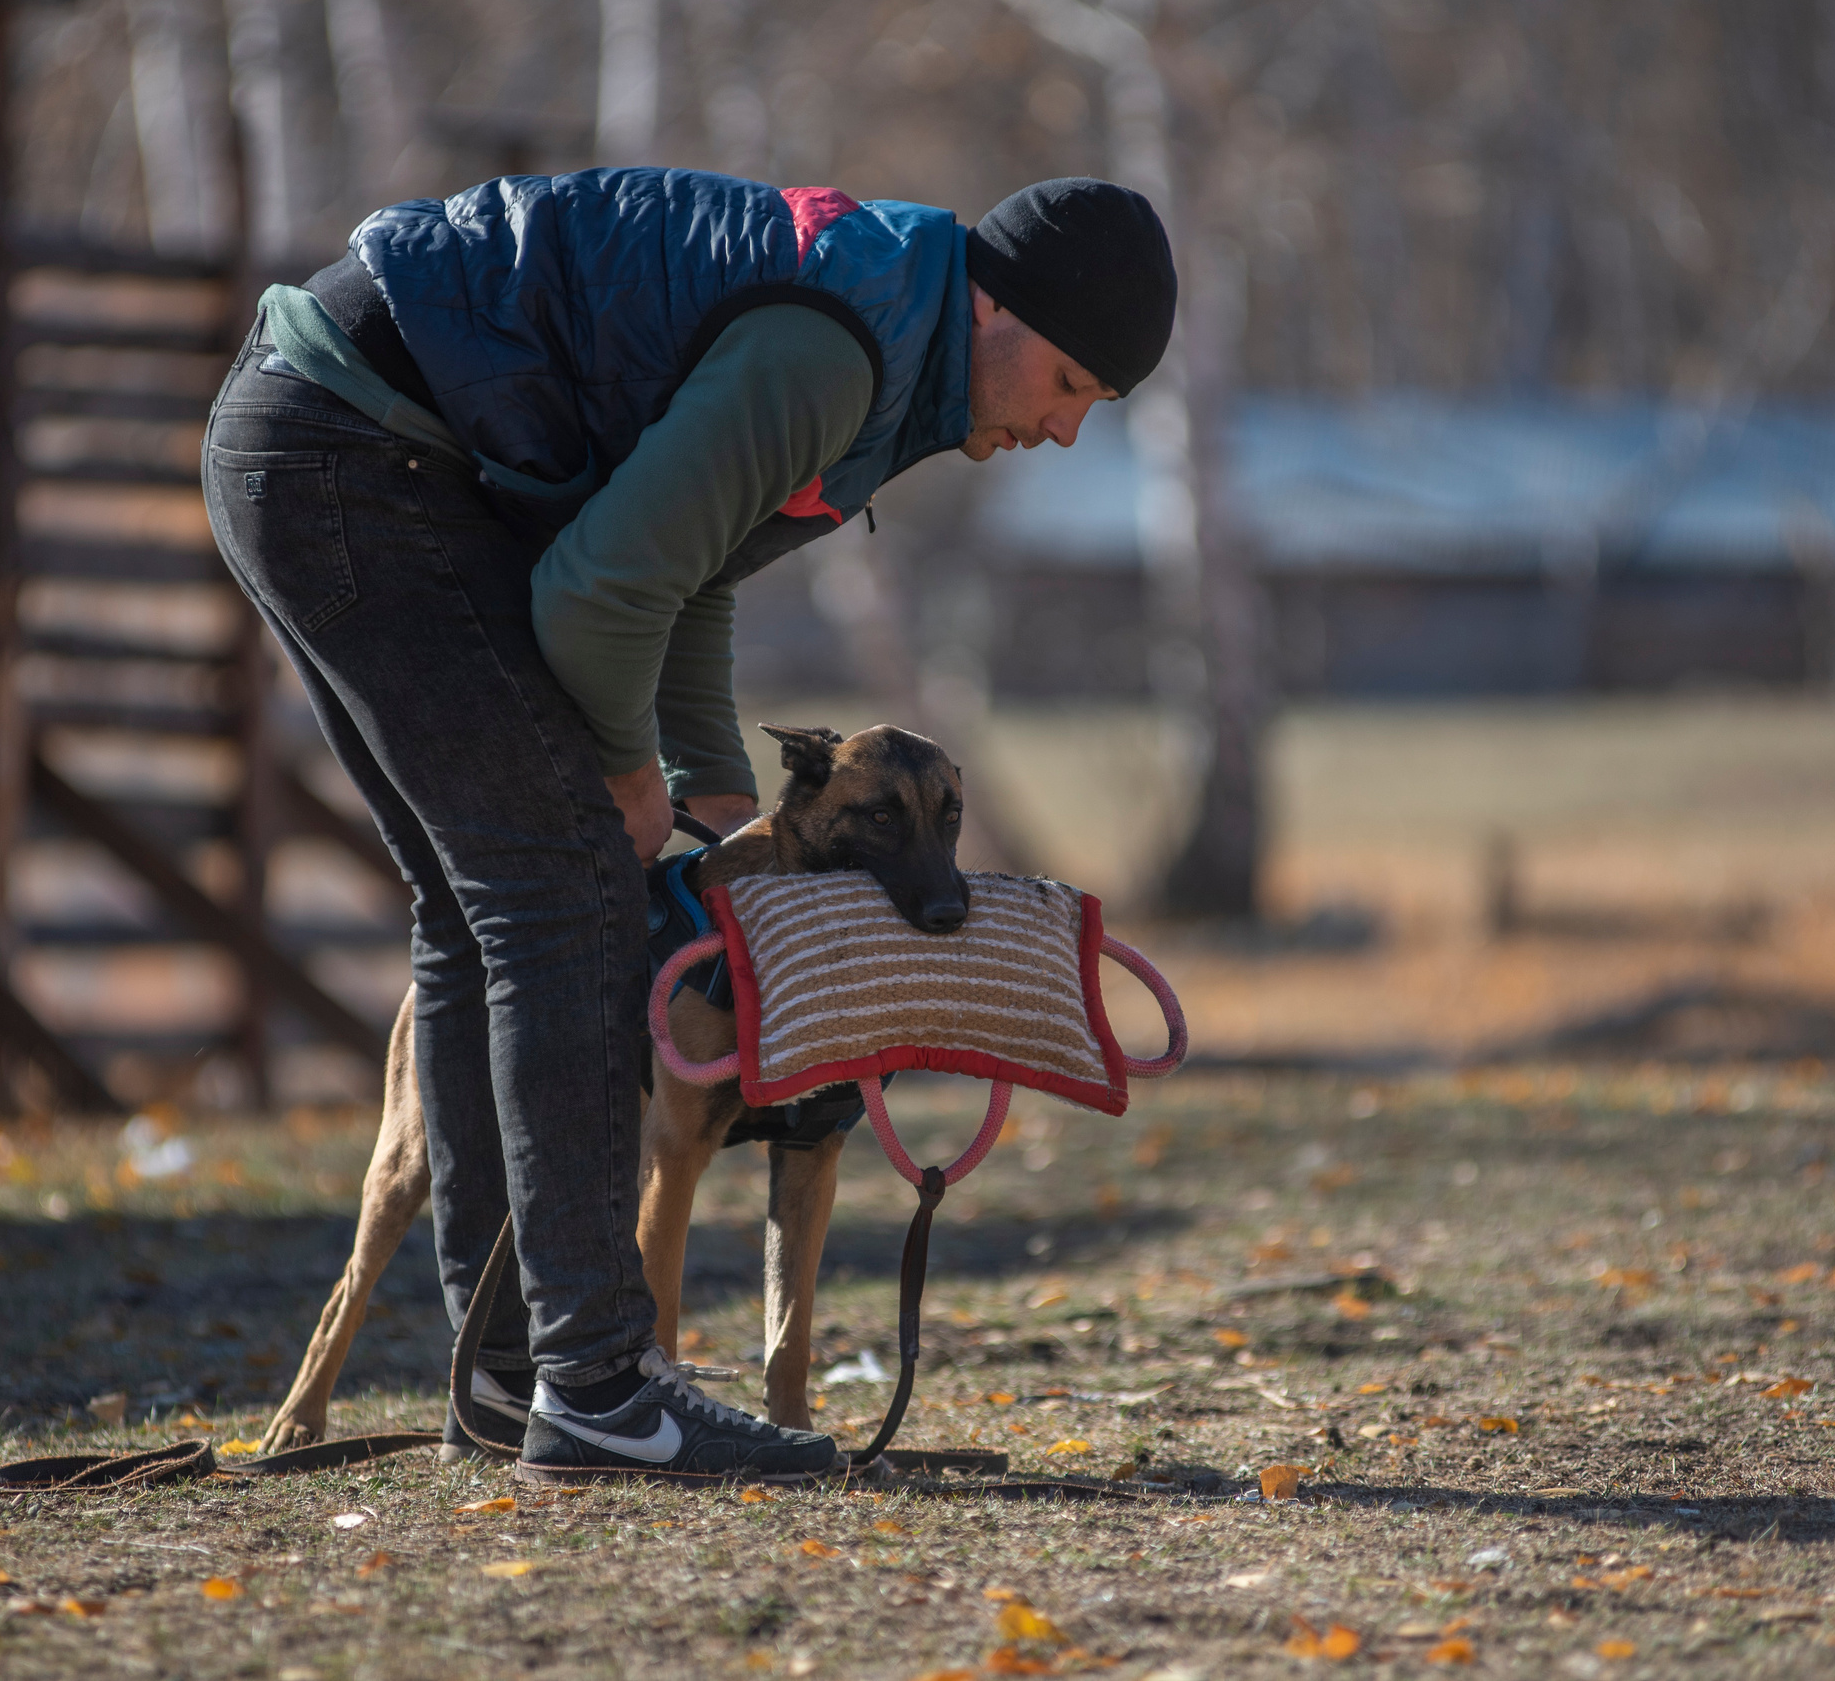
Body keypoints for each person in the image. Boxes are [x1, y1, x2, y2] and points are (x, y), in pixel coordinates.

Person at [202, 169, 1175, 1484]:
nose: (1064, 431)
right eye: (1067, 385)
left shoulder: (892, 347)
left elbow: (696, 566)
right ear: (997, 305)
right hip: (359, 446)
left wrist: (711, 789)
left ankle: (507, 1376)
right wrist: (625, 773)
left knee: (479, 902)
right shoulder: (841, 353)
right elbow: (603, 594)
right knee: (561, 890)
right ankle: (597, 1379)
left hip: (321, 427)